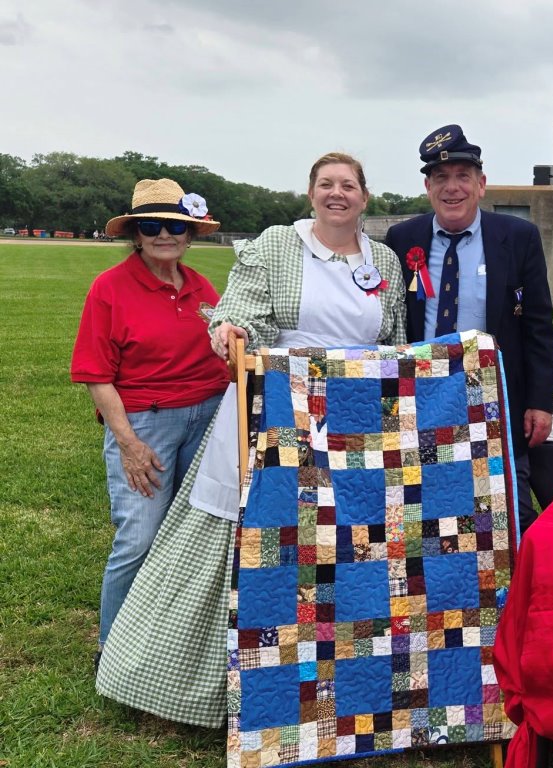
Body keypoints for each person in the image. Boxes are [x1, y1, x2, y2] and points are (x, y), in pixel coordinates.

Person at [95, 152, 406, 727]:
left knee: (341, 540)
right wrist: (230, 329)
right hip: (276, 407)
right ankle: (189, 681)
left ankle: (342, 674)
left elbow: (395, 342)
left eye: (348, 185)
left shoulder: (382, 258)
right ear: (311, 193)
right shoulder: (276, 245)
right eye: (325, 184)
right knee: (258, 536)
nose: (336, 193)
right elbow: (237, 311)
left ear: (364, 196)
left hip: (352, 417)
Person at [70, 178, 230, 669]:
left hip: (209, 420)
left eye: (176, 226)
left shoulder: (201, 286)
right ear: (135, 234)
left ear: (190, 234)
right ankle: (112, 651)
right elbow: (96, 375)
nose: (164, 234)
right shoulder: (109, 288)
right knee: (139, 537)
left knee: (194, 535)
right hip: (146, 424)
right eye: (152, 225)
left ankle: (172, 642)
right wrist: (128, 443)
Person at [385, 124, 553, 533]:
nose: (452, 188)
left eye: (463, 176)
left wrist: (540, 402)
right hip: (422, 396)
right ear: (427, 187)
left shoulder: (518, 237)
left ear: (481, 185)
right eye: (440, 177)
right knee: (423, 508)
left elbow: (538, 326)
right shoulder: (402, 238)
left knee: (507, 512)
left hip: (493, 398)